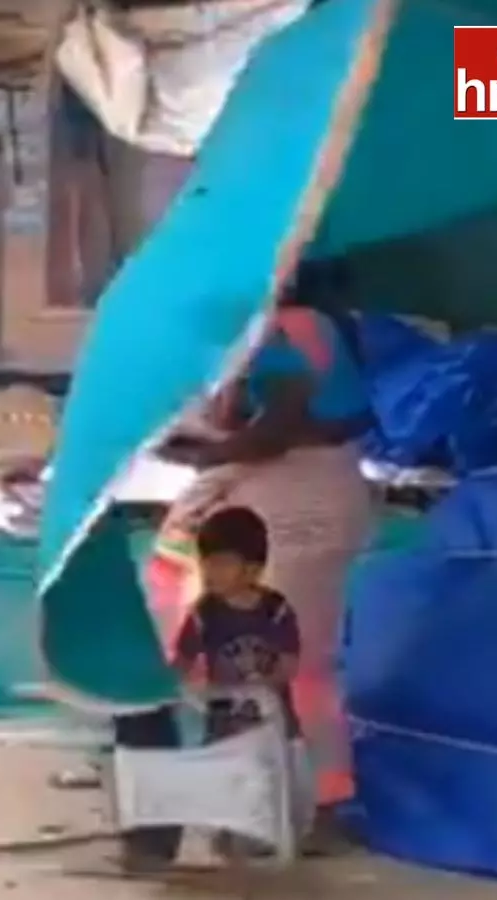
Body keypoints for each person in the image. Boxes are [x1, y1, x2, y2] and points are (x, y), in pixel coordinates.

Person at [154, 261, 374, 806]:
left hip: (295, 500)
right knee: (303, 659)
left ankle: (275, 795)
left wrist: (199, 454)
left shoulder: (286, 330)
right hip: (323, 493)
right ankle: (306, 792)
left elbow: (278, 428)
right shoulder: (319, 325)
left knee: (261, 654)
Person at [173, 507, 300, 742]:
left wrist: (259, 690)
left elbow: (289, 664)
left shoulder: (276, 611)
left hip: (272, 725)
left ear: (253, 570)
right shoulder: (203, 614)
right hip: (224, 730)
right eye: (206, 562)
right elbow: (181, 664)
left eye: (222, 563)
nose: (210, 571)